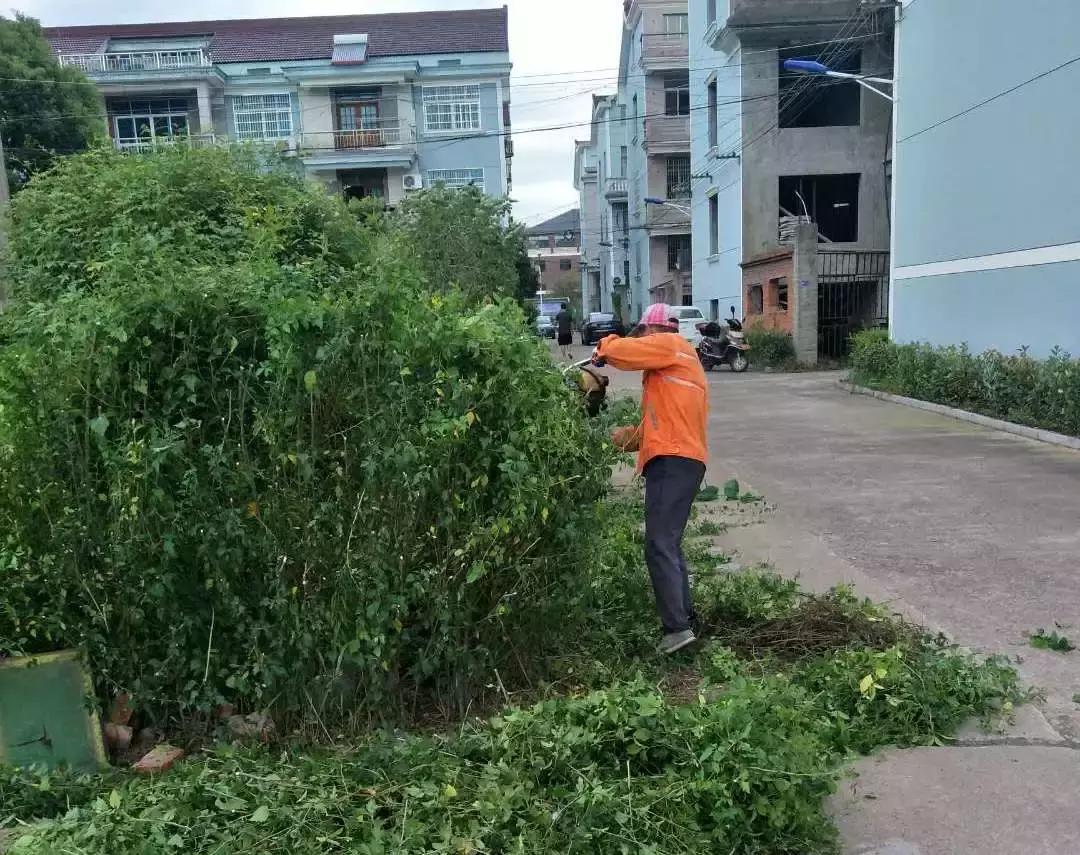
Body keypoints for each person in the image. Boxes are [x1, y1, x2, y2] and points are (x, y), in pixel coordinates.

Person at [593, 303, 708, 654]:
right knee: (668, 543)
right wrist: (608, 439)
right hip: (681, 458)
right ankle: (686, 622)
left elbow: (624, 353)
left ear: (654, 330)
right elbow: (649, 432)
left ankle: (676, 629)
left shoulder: (672, 345)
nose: (641, 339)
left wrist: (603, 349)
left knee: (658, 543)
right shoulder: (672, 374)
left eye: (643, 333)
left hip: (673, 461)